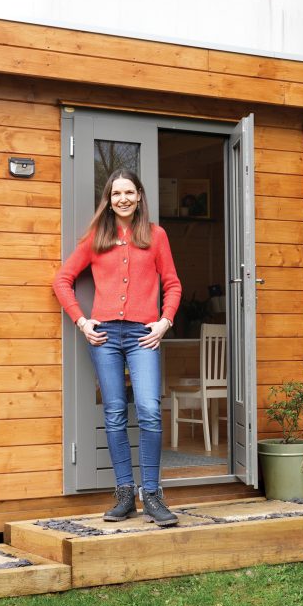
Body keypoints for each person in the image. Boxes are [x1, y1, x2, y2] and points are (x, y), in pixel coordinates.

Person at [53, 169, 182, 526]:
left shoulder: (156, 236)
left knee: (149, 409)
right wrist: (82, 321)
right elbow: (62, 280)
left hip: (143, 335)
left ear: (139, 196)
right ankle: (125, 494)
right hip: (105, 336)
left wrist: (164, 321)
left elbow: (173, 284)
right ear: (108, 201)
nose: (122, 199)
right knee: (114, 412)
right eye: (116, 194)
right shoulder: (97, 237)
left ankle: (151, 494)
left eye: (128, 192)